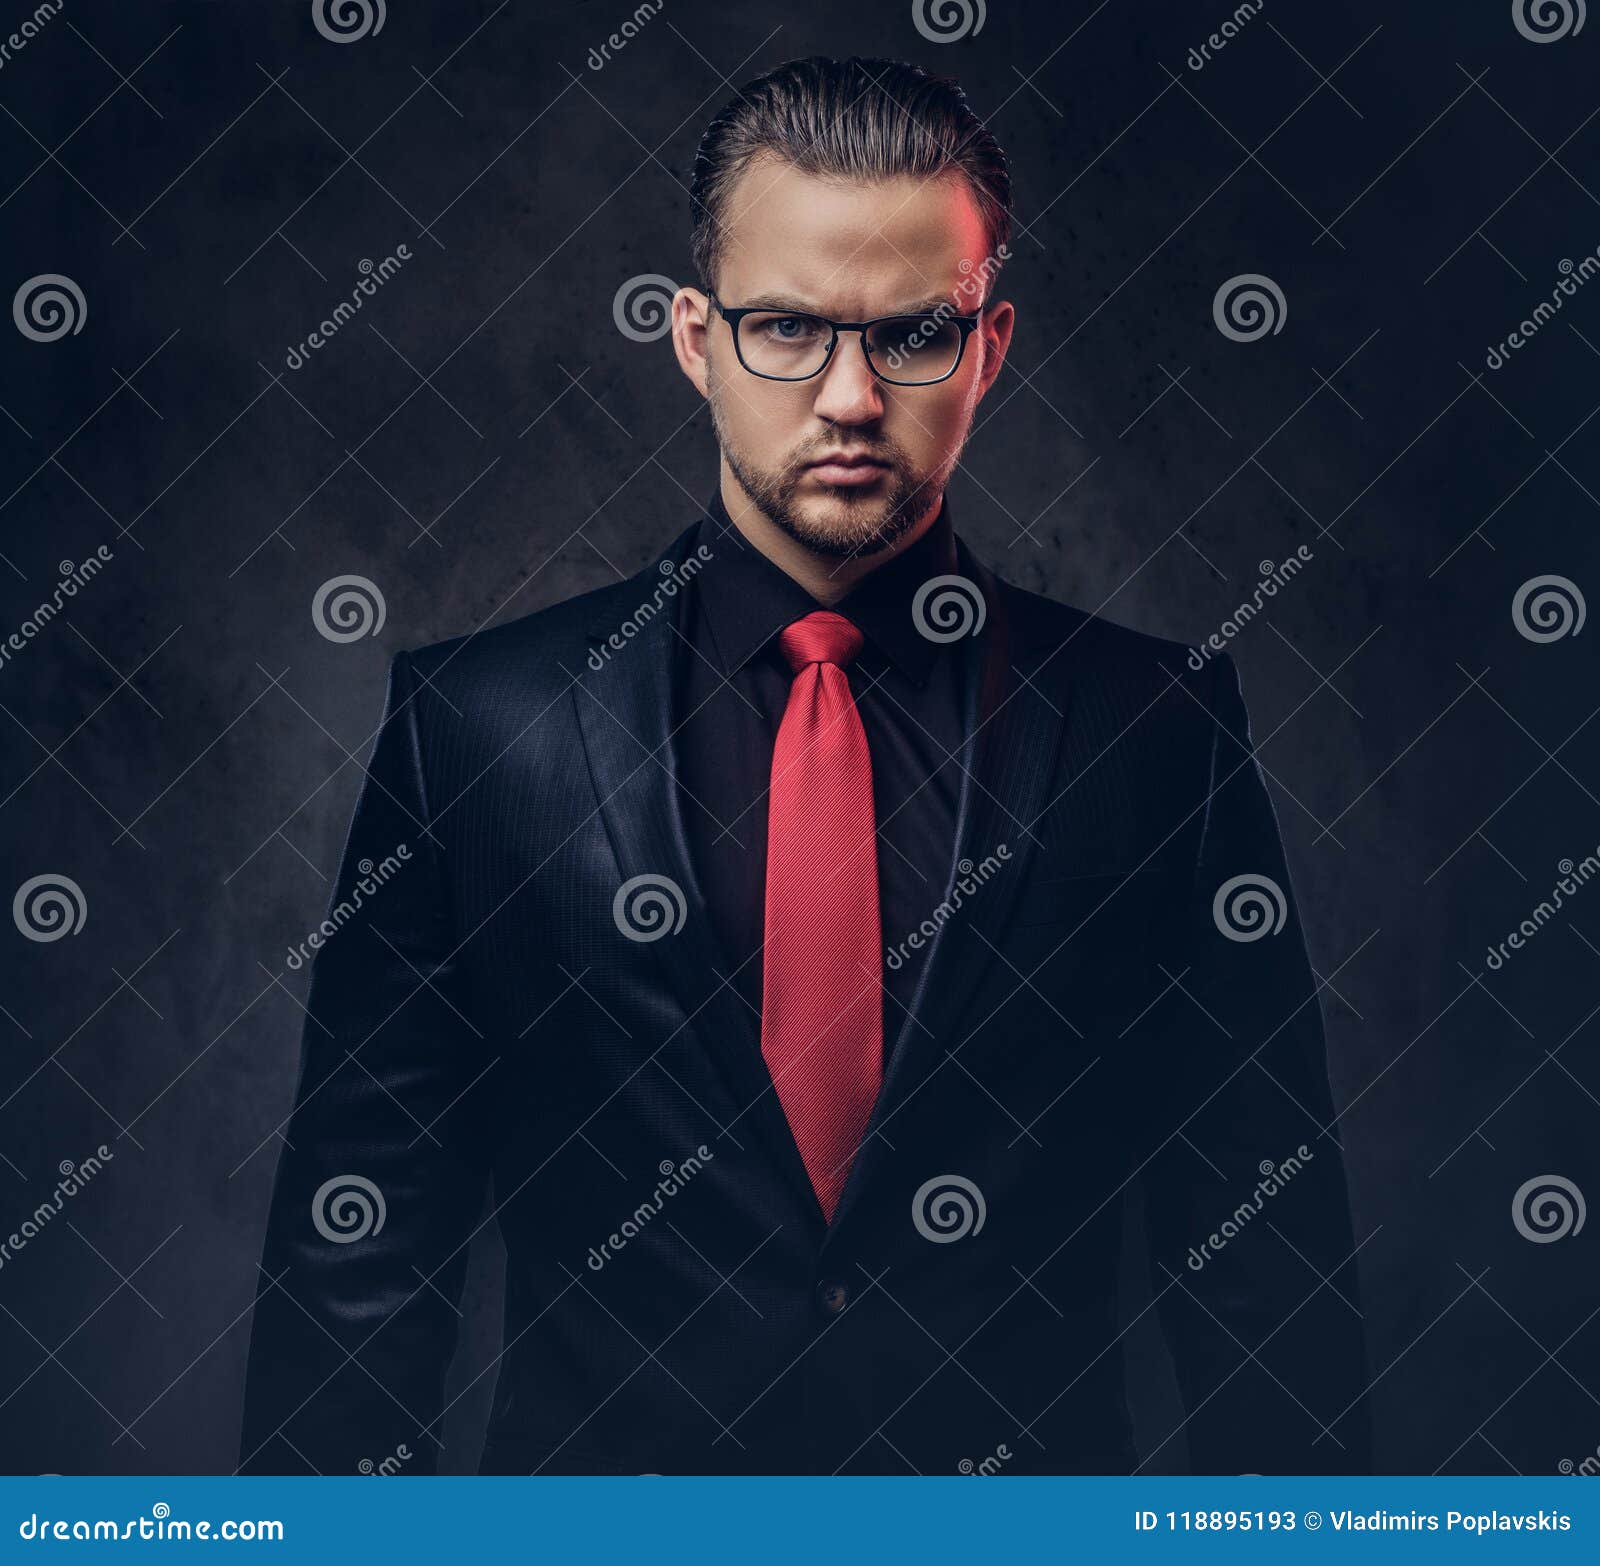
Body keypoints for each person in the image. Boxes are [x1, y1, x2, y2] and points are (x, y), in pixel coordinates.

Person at [239, 54, 1372, 1476]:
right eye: (786, 327)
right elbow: (361, 1282)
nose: (847, 396)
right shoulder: (478, 730)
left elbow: (1268, 1288)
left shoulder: (1156, 733)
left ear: (991, 347)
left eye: (912, 335)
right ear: (695, 338)